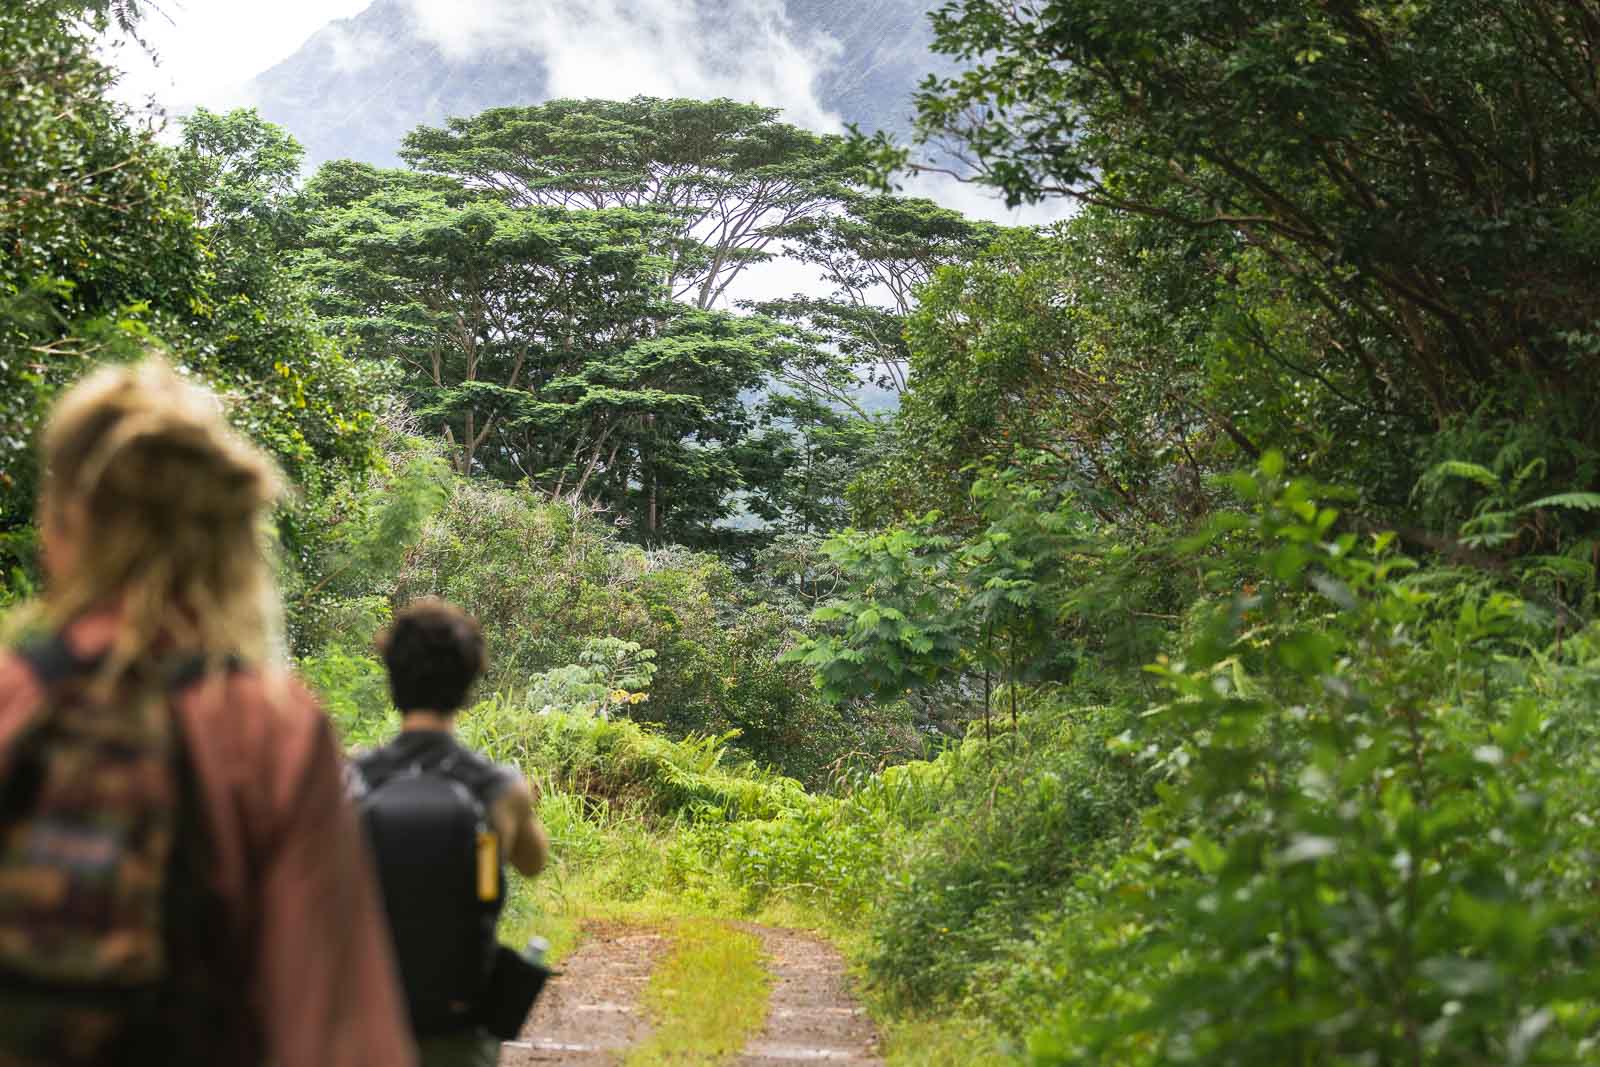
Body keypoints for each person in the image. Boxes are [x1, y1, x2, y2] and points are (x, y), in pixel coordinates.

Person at [0, 357, 417, 1066]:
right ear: (229, 534)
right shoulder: (268, 727)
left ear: (63, 523)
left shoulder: (14, 697)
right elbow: (338, 1035)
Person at [351, 598, 549, 1067]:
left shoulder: (353, 779)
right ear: (468, 682)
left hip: (363, 1019)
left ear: (393, 677)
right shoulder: (500, 789)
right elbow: (533, 863)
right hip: (458, 1025)